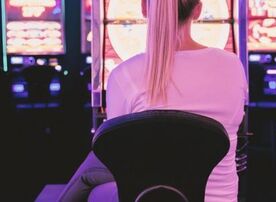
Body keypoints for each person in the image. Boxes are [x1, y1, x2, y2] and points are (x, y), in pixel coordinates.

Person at [58, 0, 247, 201]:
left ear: (144, 8)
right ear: (198, 10)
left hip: (145, 197)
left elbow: (116, 156)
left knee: (92, 171)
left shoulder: (124, 74)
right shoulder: (233, 66)